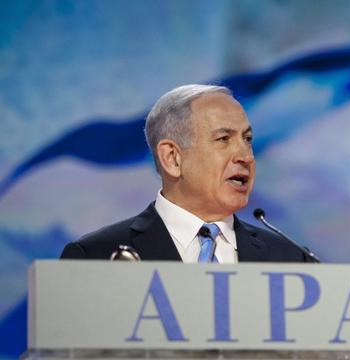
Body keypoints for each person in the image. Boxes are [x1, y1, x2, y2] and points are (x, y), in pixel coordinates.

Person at [60, 84, 313, 263]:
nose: (245, 156)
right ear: (172, 158)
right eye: (223, 139)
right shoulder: (94, 257)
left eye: (247, 139)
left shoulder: (290, 260)